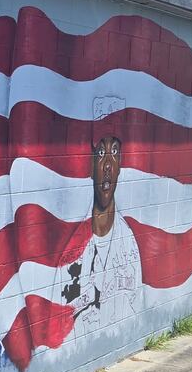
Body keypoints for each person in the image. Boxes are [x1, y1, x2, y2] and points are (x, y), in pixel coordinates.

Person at [53, 98, 141, 339]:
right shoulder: (73, 250)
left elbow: (136, 313)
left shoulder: (128, 244)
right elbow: (60, 329)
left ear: (122, 162)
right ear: (91, 163)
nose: (108, 165)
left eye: (115, 152)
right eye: (101, 152)